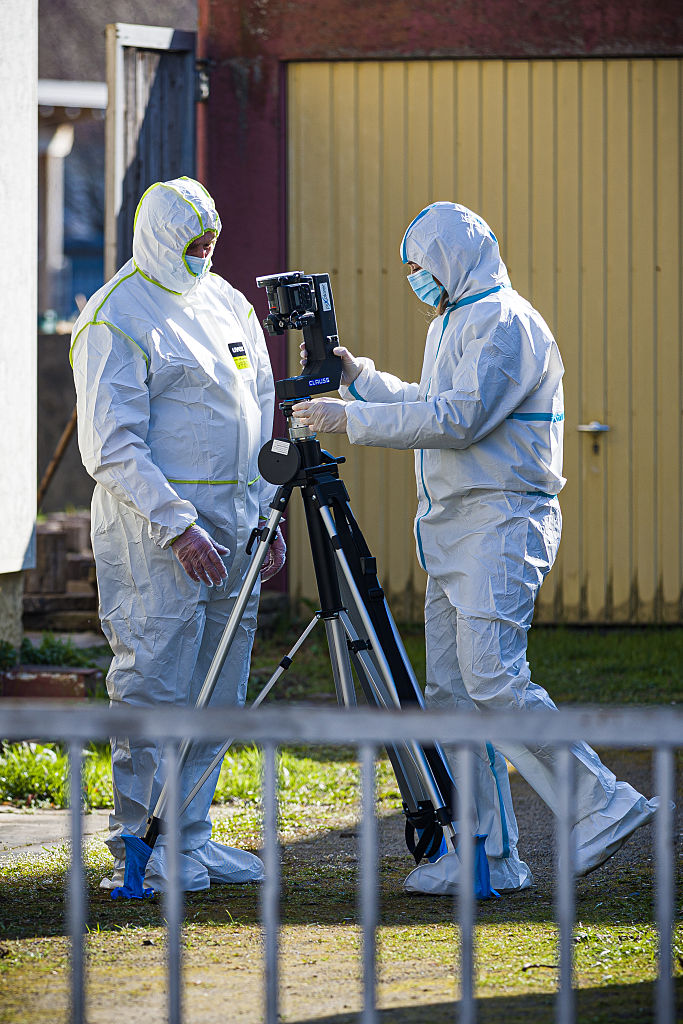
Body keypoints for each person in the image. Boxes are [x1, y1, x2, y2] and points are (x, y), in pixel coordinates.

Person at [293, 201, 657, 894]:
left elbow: (457, 420)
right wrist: (360, 379)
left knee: (492, 676)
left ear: (451, 260)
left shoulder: (505, 323)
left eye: (418, 267)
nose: (414, 280)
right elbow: (434, 402)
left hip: (501, 521)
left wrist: (354, 418)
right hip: (455, 528)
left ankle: (603, 803)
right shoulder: (457, 318)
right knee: (451, 692)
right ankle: (487, 855)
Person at [70, 176, 285, 892]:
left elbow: (258, 408)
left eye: (213, 238)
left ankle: (188, 838)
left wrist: (262, 514)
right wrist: (178, 527)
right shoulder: (116, 316)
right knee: (154, 687)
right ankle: (140, 848)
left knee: (218, 691)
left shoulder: (225, 302)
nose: (208, 249)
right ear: (159, 236)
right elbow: (113, 445)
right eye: (195, 240)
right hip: (156, 538)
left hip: (233, 531)